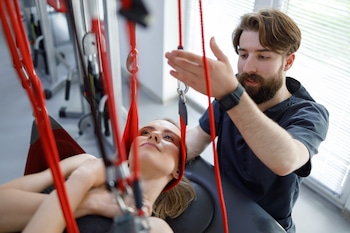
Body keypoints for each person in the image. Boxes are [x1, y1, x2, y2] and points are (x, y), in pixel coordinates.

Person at [165, 8, 329, 233]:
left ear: (288, 62)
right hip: (222, 201)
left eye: (263, 56)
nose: (248, 68)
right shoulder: (236, 89)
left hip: (266, 224)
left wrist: (231, 95)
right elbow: (197, 138)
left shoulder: (310, 114)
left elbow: (286, 160)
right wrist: (159, 151)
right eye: (243, 55)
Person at [0, 119, 195, 233]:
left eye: (169, 137)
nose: (154, 136)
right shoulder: (86, 163)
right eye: (145, 132)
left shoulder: (154, 228)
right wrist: (87, 199)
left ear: (177, 170)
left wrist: (82, 183)